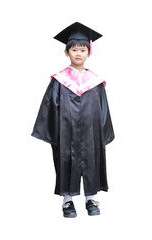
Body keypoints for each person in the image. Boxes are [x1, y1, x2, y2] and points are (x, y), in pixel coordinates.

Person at [31, 22, 115, 218]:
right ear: (66, 52)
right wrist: (53, 132)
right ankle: (67, 200)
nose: (78, 53)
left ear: (89, 53)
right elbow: (49, 107)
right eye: (74, 49)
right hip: (65, 132)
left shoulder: (95, 81)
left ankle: (90, 198)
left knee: (92, 160)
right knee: (66, 160)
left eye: (83, 49)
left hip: (91, 133)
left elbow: (103, 109)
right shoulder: (59, 80)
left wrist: (103, 132)